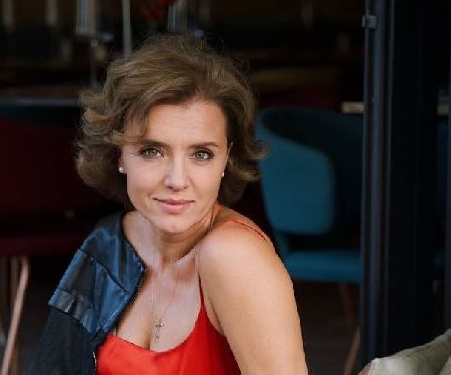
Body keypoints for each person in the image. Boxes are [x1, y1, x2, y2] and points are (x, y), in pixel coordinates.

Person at [28, 35, 307, 374]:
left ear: (226, 159)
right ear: (119, 154)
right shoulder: (112, 242)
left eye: (201, 154)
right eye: (152, 151)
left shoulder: (234, 256)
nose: (177, 179)